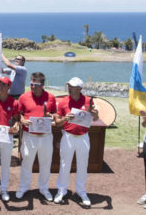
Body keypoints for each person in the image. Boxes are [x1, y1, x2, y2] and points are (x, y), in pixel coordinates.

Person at [53, 77, 99, 206]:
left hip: (83, 136)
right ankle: (61, 191)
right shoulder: (63, 102)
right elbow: (57, 123)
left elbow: (95, 119)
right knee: (64, 164)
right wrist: (65, 119)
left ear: (79, 89)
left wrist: (95, 114)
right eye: (68, 86)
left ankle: (81, 191)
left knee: (82, 165)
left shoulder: (89, 101)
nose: (69, 88)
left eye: (72, 86)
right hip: (68, 136)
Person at [16, 72, 56, 201]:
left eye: (36, 84)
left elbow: (55, 114)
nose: (32, 86)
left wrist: (52, 117)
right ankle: (23, 187)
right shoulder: (23, 97)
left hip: (46, 136)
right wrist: (21, 120)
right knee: (27, 162)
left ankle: (44, 188)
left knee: (45, 164)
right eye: (31, 83)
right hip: (29, 135)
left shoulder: (50, 97)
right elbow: (18, 114)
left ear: (43, 85)